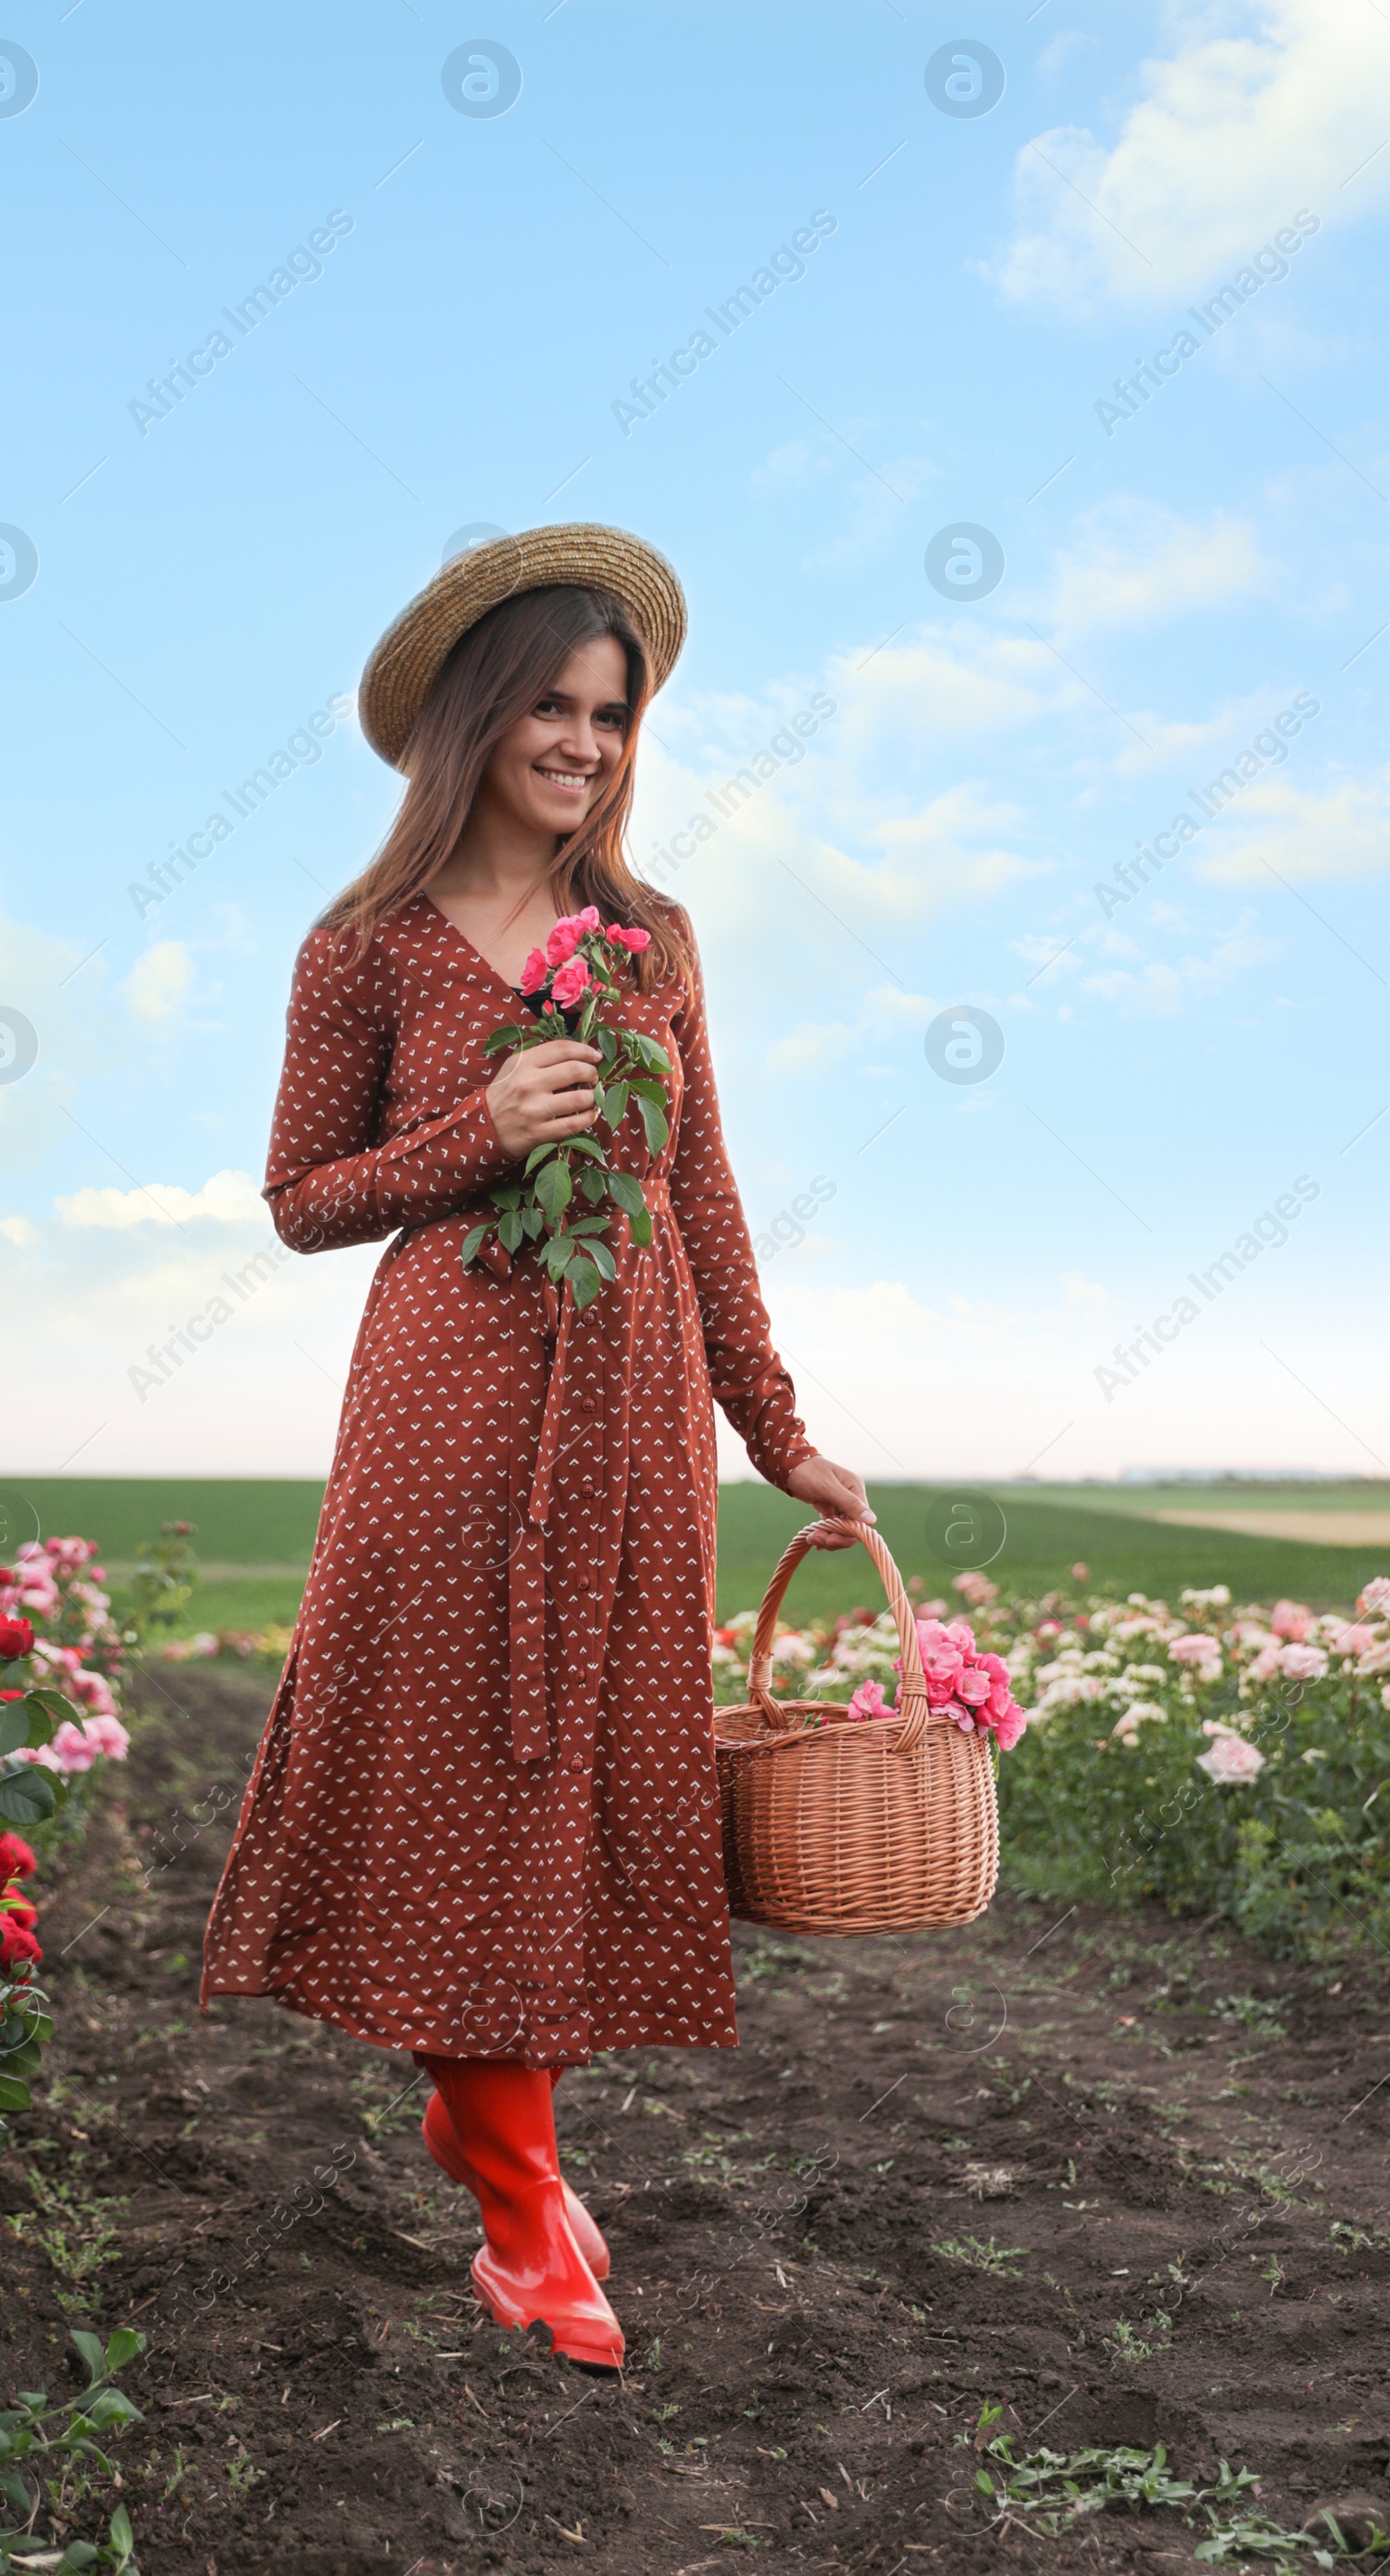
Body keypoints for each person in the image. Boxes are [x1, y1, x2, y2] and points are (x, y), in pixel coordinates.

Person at [201, 523, 871, 2371]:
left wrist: (778, 1427)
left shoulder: (655, 940)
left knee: (578, 1767)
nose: (583, 740)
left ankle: (488, 2114)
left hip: (639, 1397)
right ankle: (517, 2206)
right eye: (552, 707)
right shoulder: (363, 946)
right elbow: (298, 1196)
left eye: (612, 712)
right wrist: (478, 1127)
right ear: (475, 720)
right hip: (446, 1397)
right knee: (455, 1763)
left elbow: (707, 1190)